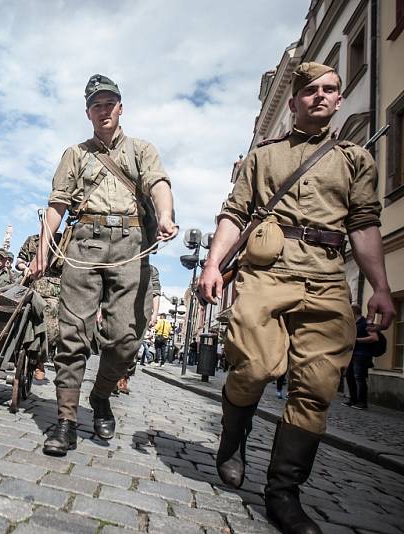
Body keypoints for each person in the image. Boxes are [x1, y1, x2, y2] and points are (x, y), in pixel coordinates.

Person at [198, 62, 395, 534]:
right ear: (293, 102)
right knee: (257, 366)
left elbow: (364, 224)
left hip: (327, 279)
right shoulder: (264, 158)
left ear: (338, 99)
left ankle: (283, 493)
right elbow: (233, 213)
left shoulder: (355, 159)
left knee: (318, 387)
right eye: (310, 91)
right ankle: (233, 434)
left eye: (330, 90)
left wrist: (382, 287)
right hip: (266, 272)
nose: (320, 96)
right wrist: (211, 265)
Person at [31, 74, 177, 456]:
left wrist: (165, 215)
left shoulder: (141, 150)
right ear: (88, 112)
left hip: (131, 244)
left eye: (110, 103)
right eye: (97, 104)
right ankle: (65, 420)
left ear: (120, 107)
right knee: (73, 332)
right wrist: (43, 246)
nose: (104, 110)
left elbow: (159, 183)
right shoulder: (75, 154)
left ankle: (100, 395)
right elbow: (58, 204)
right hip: (85, 242)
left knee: (126, 338)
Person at [16, 228, 62, 382]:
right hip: (30, 285)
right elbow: (19, 262)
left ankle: (40, 360)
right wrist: (25, 267)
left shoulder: (62, 241)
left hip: (52, 292)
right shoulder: (32, 240)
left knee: (50, 324)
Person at [118, 263, 161, 393]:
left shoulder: (152, 269)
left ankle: (124, 378)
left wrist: (155, 313)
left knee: (133, 348)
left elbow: (156, 292)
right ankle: (111, 377)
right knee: (115, 344)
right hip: (119, 308)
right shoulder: (123, 263)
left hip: (140, 313)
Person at [343, 304, 378, 410]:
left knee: (359, 378)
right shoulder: (354, 324)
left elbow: (374, 338)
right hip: (352, 354)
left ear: (353, 312)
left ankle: (362, 402)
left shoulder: (366, 323)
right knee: (349, 376)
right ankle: (352, 400)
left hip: (362, 355)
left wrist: (357, 340)